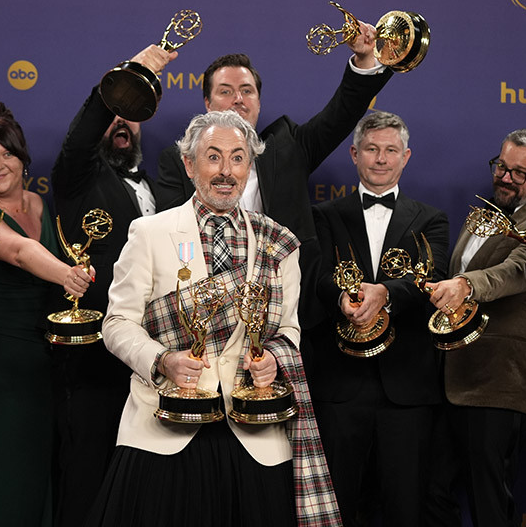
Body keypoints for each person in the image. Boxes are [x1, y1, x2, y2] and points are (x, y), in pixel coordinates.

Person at [88, 110, 340, 527]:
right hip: (163, 426)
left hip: (255, 435)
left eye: (238, 158)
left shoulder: (279, 242)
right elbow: (116, 324)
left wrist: (274, 359)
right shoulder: (149, 233)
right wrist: (161, 361)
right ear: (189, 165)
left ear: (249, 167)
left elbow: (289, 329)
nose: (226, 171)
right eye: (213, 156)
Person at [155, 28, 393, 331]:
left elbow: (341, 113)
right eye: (225, 91)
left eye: (247, 90)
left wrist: (364, 59)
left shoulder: (289, 147)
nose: (238, 99)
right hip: (206, 316)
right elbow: (173, 239)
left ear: (258, 100)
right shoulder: (179, 162)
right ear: (207, 102)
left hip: (288, 313)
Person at [0, 102, 92, 527]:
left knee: (31, 478)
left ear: (23, 158)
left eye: (6, 153)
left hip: (37, 362)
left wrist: (80, 271)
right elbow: (20, 252)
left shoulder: (40, 204)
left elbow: (56, 259)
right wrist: (68, 274)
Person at [49, 45, 175, 526]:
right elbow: (79, 141)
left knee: (145, 489)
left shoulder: (164, 186)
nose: (121, 123)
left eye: (130, 116)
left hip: (159, 360)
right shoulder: (77, 179)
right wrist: (127, 83)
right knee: (87, 480)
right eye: (113, 116)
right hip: (96, 359)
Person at [309, 111, 448, 526]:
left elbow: (435, 276)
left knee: (406, 509)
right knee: (337, 510)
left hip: (407, 390)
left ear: (406, 157)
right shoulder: (324, 215)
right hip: (340, 386)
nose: (381, 159)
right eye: (371, 149)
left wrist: (385, 292)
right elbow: (315, 276)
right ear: (354, 154)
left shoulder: (431, 218)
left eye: (390, 150)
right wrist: (342, 300)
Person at [425, 129, 526, 527]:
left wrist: (465, 286)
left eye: (519, 173)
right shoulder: (483, 213)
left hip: (499, 387)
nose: (504, 177)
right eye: (501, 166)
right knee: (432, 493)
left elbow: (514, 272)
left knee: (489, 507)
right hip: (452, 382)